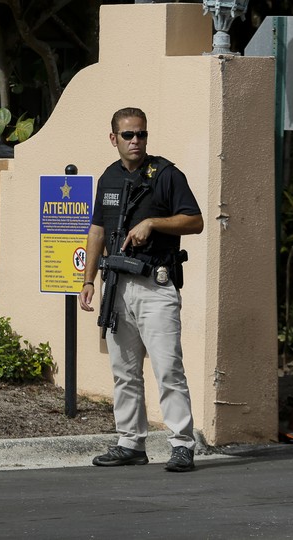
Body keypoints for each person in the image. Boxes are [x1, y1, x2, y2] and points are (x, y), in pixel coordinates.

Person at [79, 107, 204, 472]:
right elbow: (97, 231)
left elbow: (194, 220)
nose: (136, 141)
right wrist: (88, 280)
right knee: (124, 370)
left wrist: (153, 222)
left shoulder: (166, 175)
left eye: (142, 135)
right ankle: (130, 441)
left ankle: (182, 444)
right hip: (116, 286)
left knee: (168, 369)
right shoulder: (108, 178)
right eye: (128, 135)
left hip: (156, 286)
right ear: (113, 138)